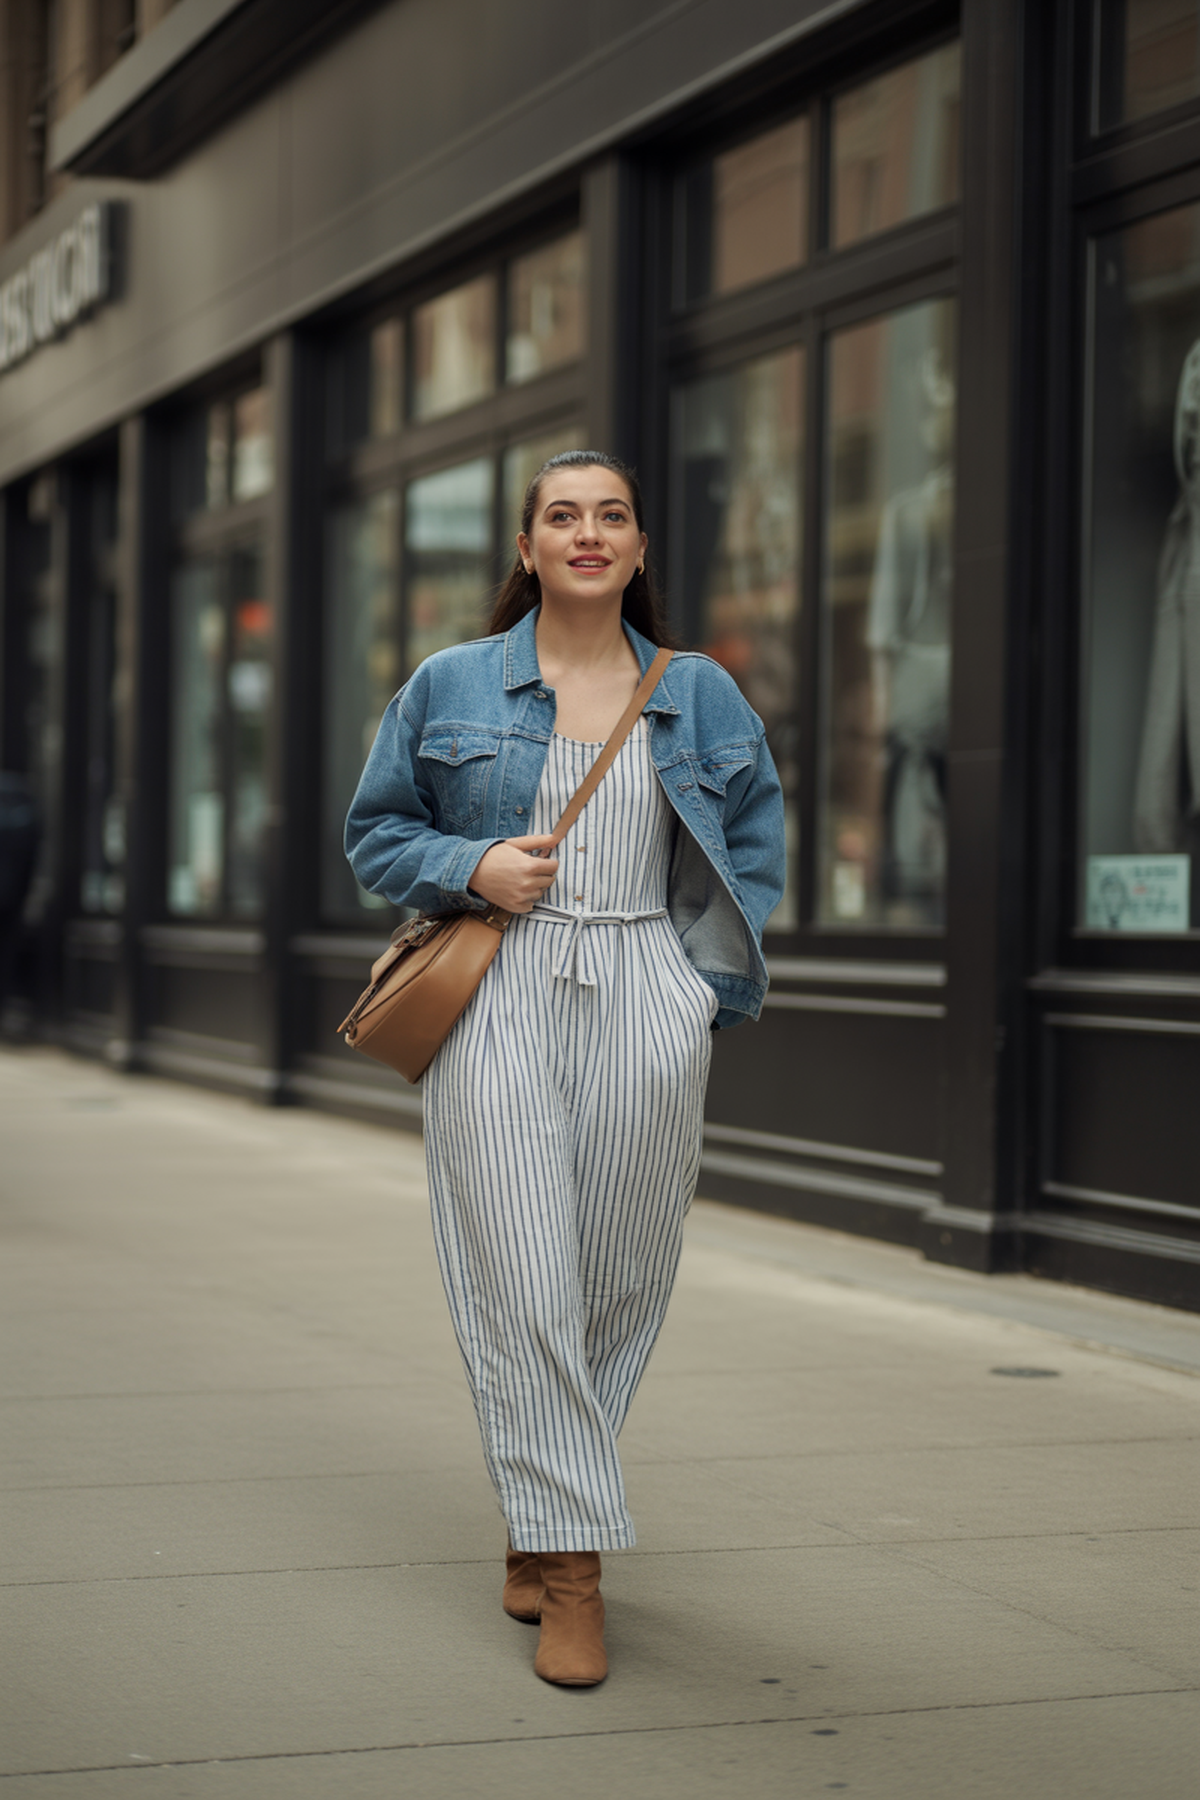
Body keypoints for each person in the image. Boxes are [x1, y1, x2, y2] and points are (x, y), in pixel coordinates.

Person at [345, 451, 786, 1686]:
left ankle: (535, 1511)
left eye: (612, 517)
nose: (587, 534)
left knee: (620, 1278)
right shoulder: (449, 685)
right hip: (499, 992)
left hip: (649, 988)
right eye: (561, 516)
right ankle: (577, 1567)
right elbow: (376, 830)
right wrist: (472, 866)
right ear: (527, 547)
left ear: (640, 550)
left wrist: (700, 991)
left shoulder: (698, 694)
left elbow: (753, 850)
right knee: (522, 1270)